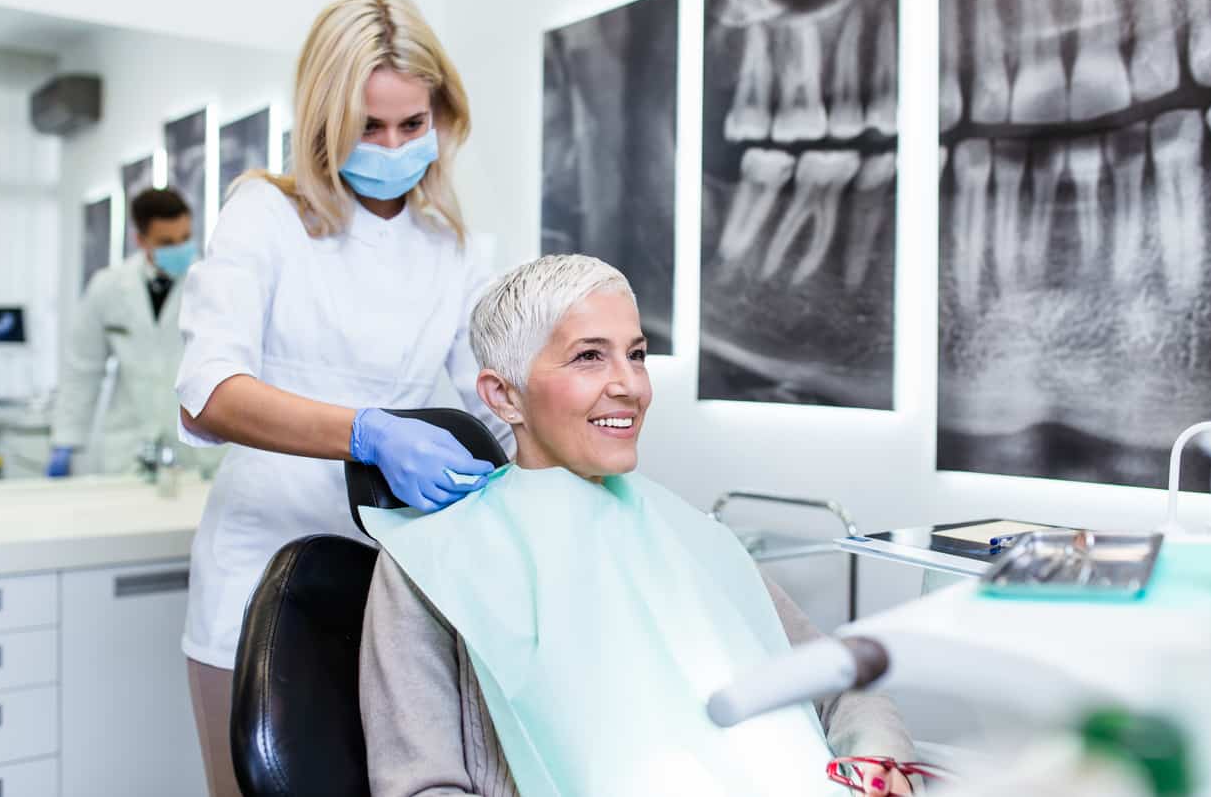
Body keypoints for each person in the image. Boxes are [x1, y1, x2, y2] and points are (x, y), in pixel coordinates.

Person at [360, 255, 916, 797]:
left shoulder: (691, 535)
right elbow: (419, 785)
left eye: (637, 354)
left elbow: (839, 684)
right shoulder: (431, 562)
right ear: (504, 395)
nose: (631, 386)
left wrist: (875, 758)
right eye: (588, 358)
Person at [173, 0, 513, 797]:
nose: (392, 144)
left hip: (390, 585)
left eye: (411, 125)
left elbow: (501, 407)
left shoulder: (458, 250)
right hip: (257, 579)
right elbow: (208, 394)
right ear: (325, 119)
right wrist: (369, 432)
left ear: (442, 117)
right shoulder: (267, 214)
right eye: (369, 126)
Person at [48, 187, 199, 476]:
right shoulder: (107, 287)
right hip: (130, 440)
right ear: (140, 240)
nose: (180, 250)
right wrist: (66, 439)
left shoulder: (211, 284)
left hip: (196, 445)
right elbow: (83, 369)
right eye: (166, 242)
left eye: (185, 239)